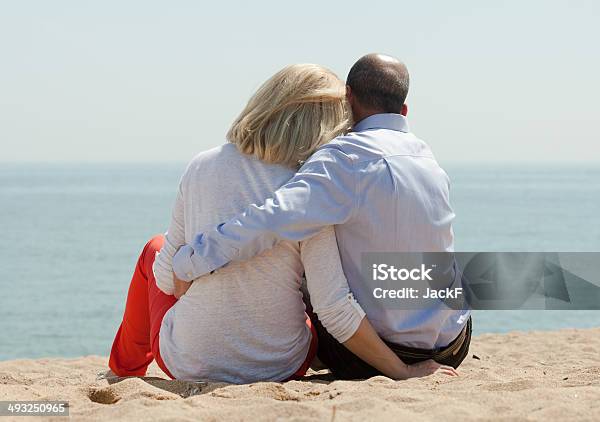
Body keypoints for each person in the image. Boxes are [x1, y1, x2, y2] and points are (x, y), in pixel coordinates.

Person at [108, 63, 450, 384]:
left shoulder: (202, 165)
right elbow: (333, 307)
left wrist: (193, 274)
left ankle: (125, 369)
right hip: (284, 364)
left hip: (189, 362)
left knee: (154, 250)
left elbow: (168, 277)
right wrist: (402, 371)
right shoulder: (313, 185)